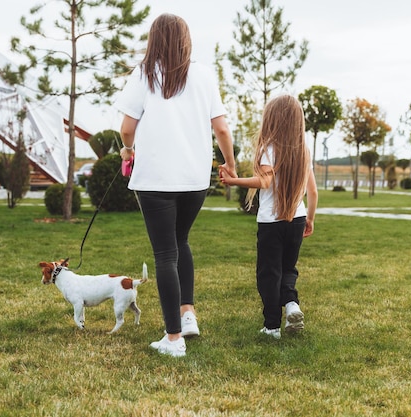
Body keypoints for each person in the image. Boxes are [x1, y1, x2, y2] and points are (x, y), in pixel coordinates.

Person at [115, 13, 236, 357]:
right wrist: (229, 163)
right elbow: (223, 129)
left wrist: (127, 150)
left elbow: (126, 128)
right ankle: (187, 315)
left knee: (165, 253)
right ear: (185, 39)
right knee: (181, 241)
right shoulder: (203, 74)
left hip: (155, 180)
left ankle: (172, 340)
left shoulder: (144, 74)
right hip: (195, 180)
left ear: (154, 39)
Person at [220, 94, 318, 340]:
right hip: (297, 218)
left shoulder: (270, 148)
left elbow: (264, 181)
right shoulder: (303, 150)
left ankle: (272, 326)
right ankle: (292, 305)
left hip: (271, 223)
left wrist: (233, 180)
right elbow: (313, 191)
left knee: (269, 273)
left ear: (271, 119)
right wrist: (310, 218)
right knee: (288, 268)